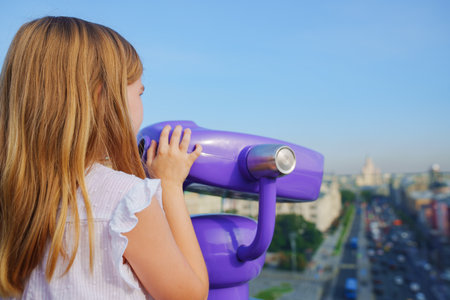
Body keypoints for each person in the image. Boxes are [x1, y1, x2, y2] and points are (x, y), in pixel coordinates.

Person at [0, 16, 208, 299]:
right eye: (139, 92)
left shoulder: (12, 199)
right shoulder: (125, 201)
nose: (142, 103)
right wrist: (170, 185)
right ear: (103, 97)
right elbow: (191, 295)